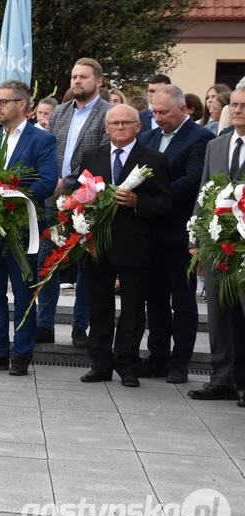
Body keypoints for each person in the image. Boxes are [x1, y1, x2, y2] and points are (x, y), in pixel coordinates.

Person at [0, 80, 58, 376]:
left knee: (23, 293)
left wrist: (13, 197)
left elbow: (47, 181)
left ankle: (21, 354)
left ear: (22, 105)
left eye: (4, 101)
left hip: (22, 226)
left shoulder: (41, 139)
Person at [80, 104, 171, 387]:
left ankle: (127, 364)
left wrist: (138, 203)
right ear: (106, 128)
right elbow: (80, 193)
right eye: (115, 123)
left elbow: (166, 201)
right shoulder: (92, 156)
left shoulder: (154, 159)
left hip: (136, 244)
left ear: (138, 126)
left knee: (132, 307)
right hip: (99, 243)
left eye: (126, 123)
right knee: (99, 304)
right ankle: (100, 363)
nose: (120, 127)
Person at [136, 85, 213, 384]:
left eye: (164, 112)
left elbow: (192, 180)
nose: (157, 118)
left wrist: (152, 198)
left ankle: (180, 362)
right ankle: (157, 358)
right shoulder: (148, 137)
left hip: (179, 233)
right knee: (153, 299)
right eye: (154, 112)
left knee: (181, 301)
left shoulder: (200, 138)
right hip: (149, 232)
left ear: (183, 109)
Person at [37, 58, 113, 347]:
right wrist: (50, 181)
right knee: (48, 259)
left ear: (99, 81)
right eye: (74, 76)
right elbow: (49, 151)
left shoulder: (107, 114)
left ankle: (80, 326)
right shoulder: (59, 112)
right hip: (53, 197)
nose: (77, 81)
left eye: (83, 76)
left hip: (89, 197)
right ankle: (44, 324)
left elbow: (101, 159)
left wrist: (67, 182)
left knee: (85, 265)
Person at [188, 88, 245, 406]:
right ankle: (223, 380)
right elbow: (202, 193)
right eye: (234, 105)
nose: (237, 110)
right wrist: (195, 240)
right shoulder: (216, 145)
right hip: (216, 244)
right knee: (219, 315)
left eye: (243, 106)